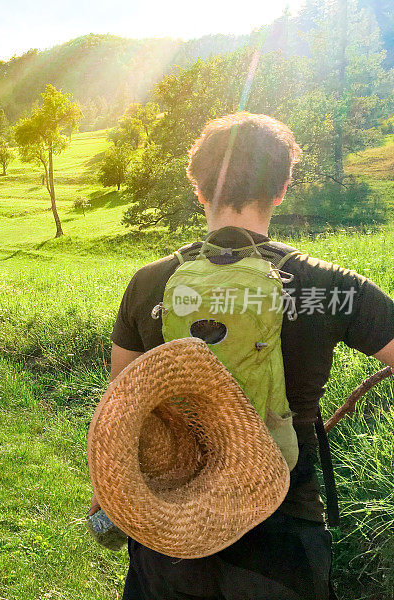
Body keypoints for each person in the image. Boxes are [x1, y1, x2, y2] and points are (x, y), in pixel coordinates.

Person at [89, 112, 394, 600]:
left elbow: (120, 407)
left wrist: (111, 497)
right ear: (281, 189)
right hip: (283, 527)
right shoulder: (331, 285)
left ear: (199, 187)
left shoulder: (149, 283)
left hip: (170, 525)